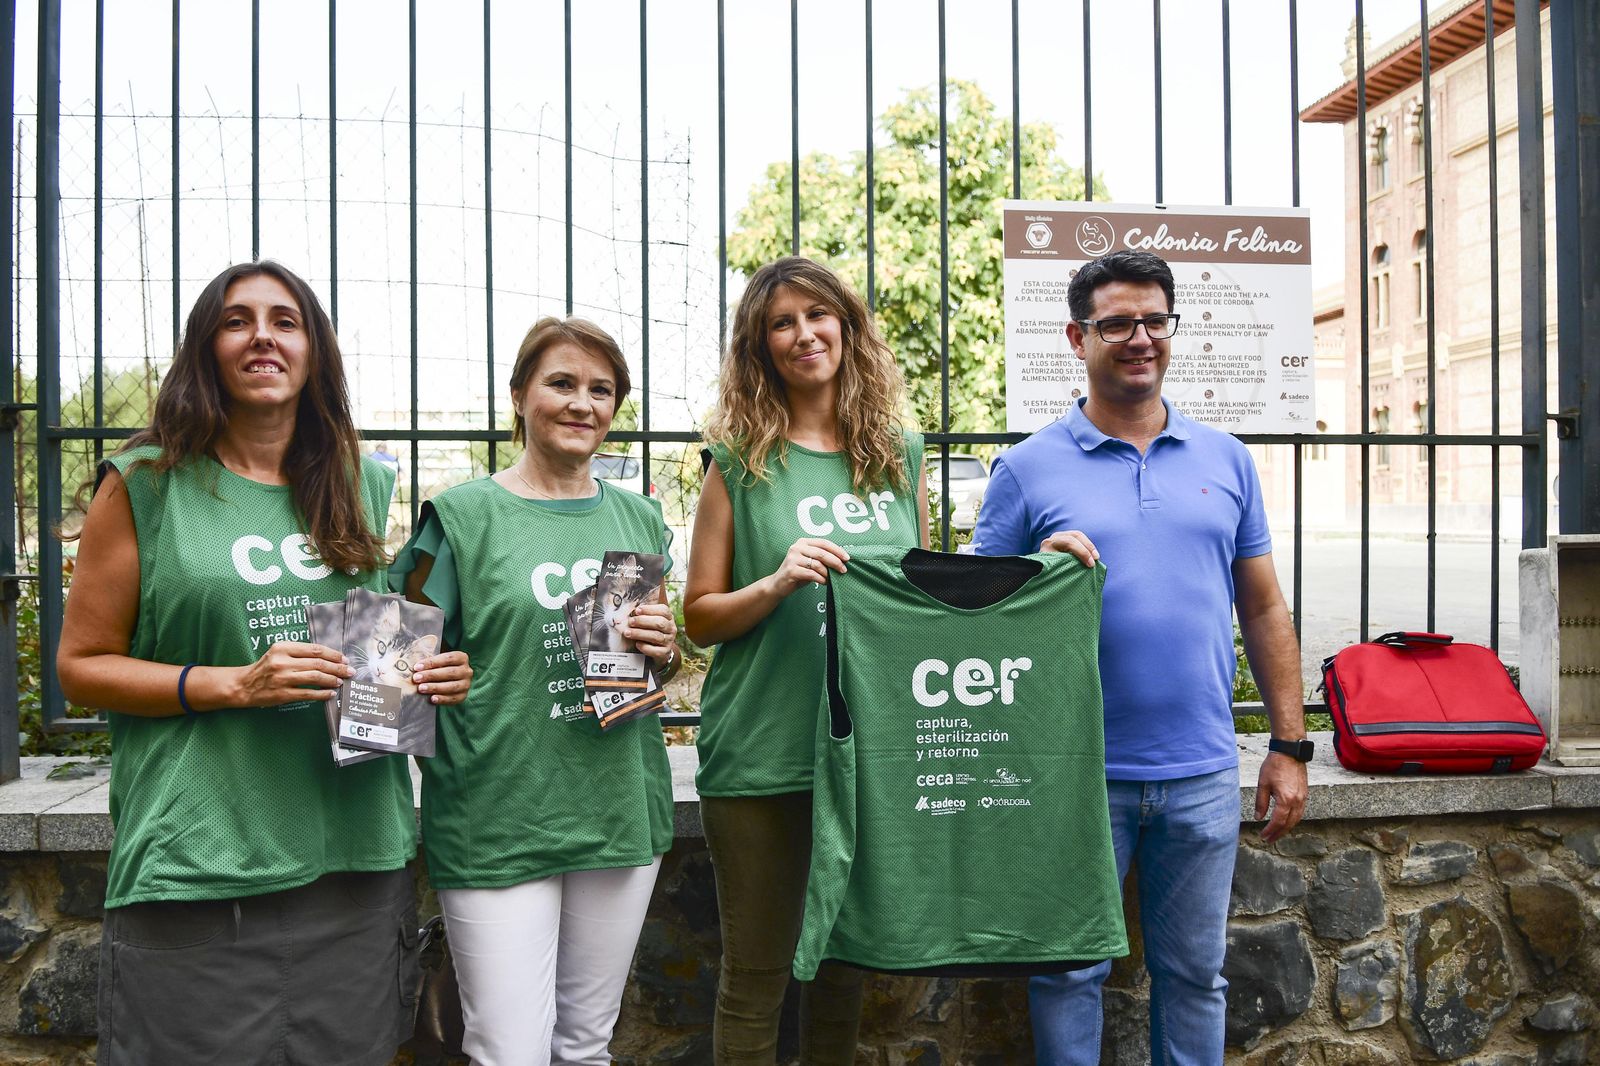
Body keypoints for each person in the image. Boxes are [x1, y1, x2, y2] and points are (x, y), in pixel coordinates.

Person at [57, 260, 474, 1065]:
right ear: (205, 347)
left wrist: (432, 672)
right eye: (236, 319)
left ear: (314, 349)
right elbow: (82, 665)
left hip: (354, 858)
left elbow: (377, 642)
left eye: (285, 321)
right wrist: (235, 685)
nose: (262, 337)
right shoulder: (146, 485)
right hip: (202, 868)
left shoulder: (361, 481)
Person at [970, 250, 1309, 1066]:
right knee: (1067, 972)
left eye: (1154, 320)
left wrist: (1290, 747)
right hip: (1073, 774)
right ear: (1076, 338)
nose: (1139, 338)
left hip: (1198, 772)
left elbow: (1262, 607)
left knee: (1196, 976)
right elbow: (972, 621)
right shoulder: (1026, 466)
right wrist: (1036, 575)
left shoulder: (1225, 459)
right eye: (1116, 322)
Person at [389, 316, 679, 1066]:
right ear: (518, 395)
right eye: (561, 383)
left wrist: (667, 652)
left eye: (601, 389)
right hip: (496, 814)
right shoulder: (461, 518)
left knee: (585, 1046)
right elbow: (387, 674)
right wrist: (430, 675)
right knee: (507, 1050)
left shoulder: (639, 517)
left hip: (616, 806)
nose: (583, 403)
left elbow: (651, 672)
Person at [684, 256, 929, 1065]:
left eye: (817, 316)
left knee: (843, 969)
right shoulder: (737, 459)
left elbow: (925, 593)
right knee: (755, 979)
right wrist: (777, 581)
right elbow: (698, 618)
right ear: (761, 345)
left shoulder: (900, 452)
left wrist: (1046, 565)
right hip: (762, 753)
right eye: (780, 323)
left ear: (847, 327)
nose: (802, 335)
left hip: (864, 756)